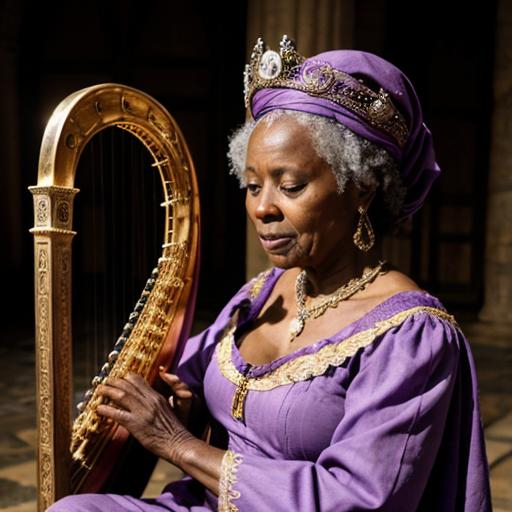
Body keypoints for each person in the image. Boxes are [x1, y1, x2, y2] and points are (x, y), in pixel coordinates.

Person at [49, 36, 491, 511]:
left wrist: (180, 445)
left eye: (291, 185)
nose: (262, 208)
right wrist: (186, 404)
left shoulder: (410, 336)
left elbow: (358, 500)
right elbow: (190, 385)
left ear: (361, 189)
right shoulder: (261, 295)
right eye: (253, 184)